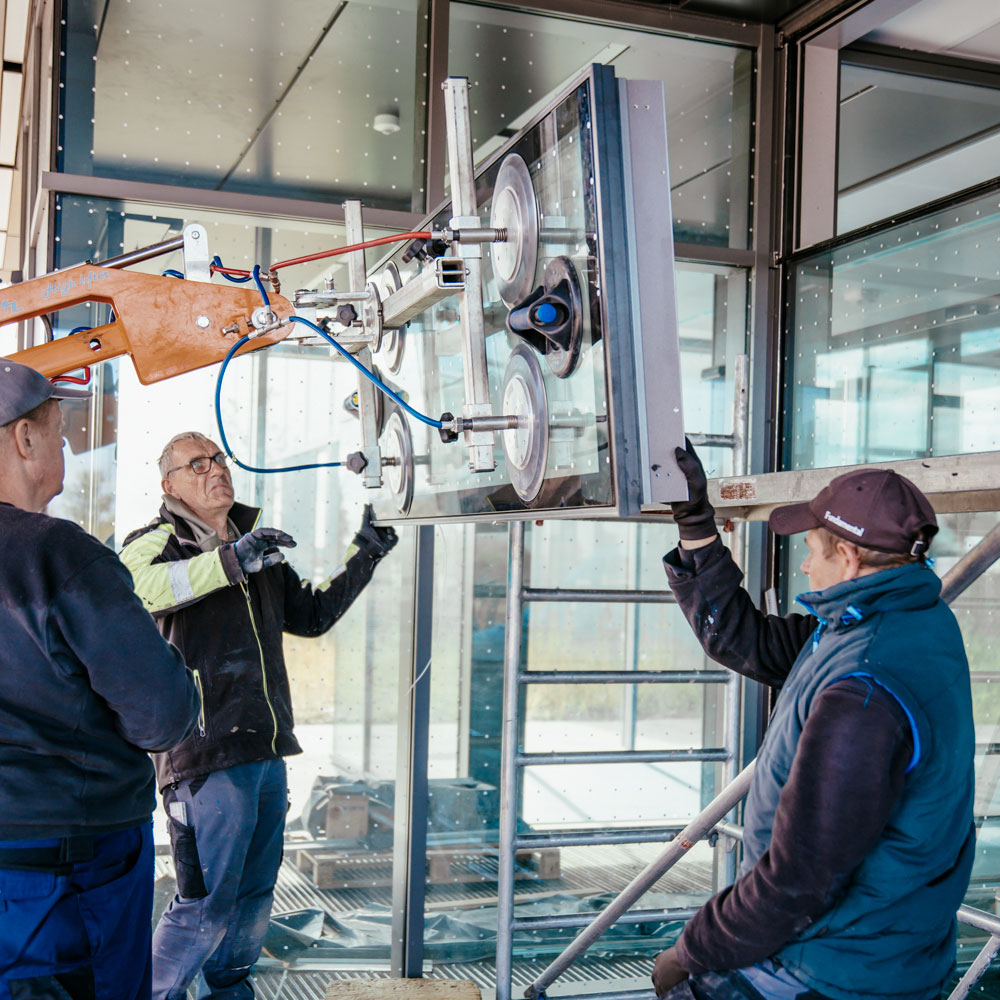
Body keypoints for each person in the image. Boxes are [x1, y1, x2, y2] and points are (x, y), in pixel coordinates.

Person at [651, 444, 974, 1000]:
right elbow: (744, 638)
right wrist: (696, 523)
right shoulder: (902, 621)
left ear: (848, 557)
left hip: (829, 969)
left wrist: (692, 949)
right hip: (886, 950)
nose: (803, 565)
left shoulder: (864, 691)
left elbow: (799, 880)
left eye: (811, 549)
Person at [120, 431, 399, 1000]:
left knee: (254, 895)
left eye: (217, 459)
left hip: (265, 751)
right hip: (203, 755)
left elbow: (313, 615)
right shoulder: (155, 544)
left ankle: (228, 989)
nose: (213, 469)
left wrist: (366, 550)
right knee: (206, 903)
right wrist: (229, 561)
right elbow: (138, 591)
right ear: (169, 485)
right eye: (195, 464)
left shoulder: (257, 549)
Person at [0, 360, 200, 999]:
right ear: (24, 440)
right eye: (58, 431)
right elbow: (162, 715)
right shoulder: (60, 555)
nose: (65, 446)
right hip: (62, 866)